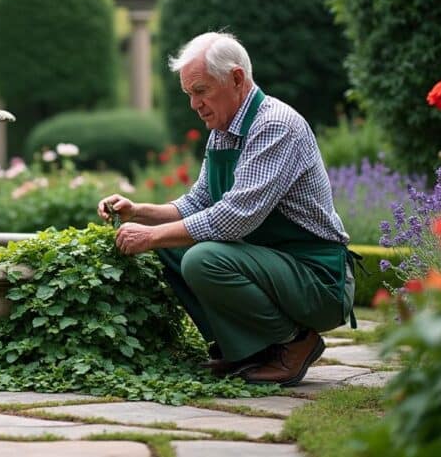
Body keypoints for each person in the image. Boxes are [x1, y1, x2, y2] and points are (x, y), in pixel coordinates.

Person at [98, 32, 355, 386]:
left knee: (202, 258)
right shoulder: (223, 129)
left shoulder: (275, 125)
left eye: (201, 91)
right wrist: (138, 212)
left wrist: (151, 236)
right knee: (173, 250)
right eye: (189, 94)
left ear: (236, 79)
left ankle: (295, 343)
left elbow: (234, 217)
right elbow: (198, 203)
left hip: (317, 279)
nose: (194, 104)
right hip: (272, 265)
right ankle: (244, 351)